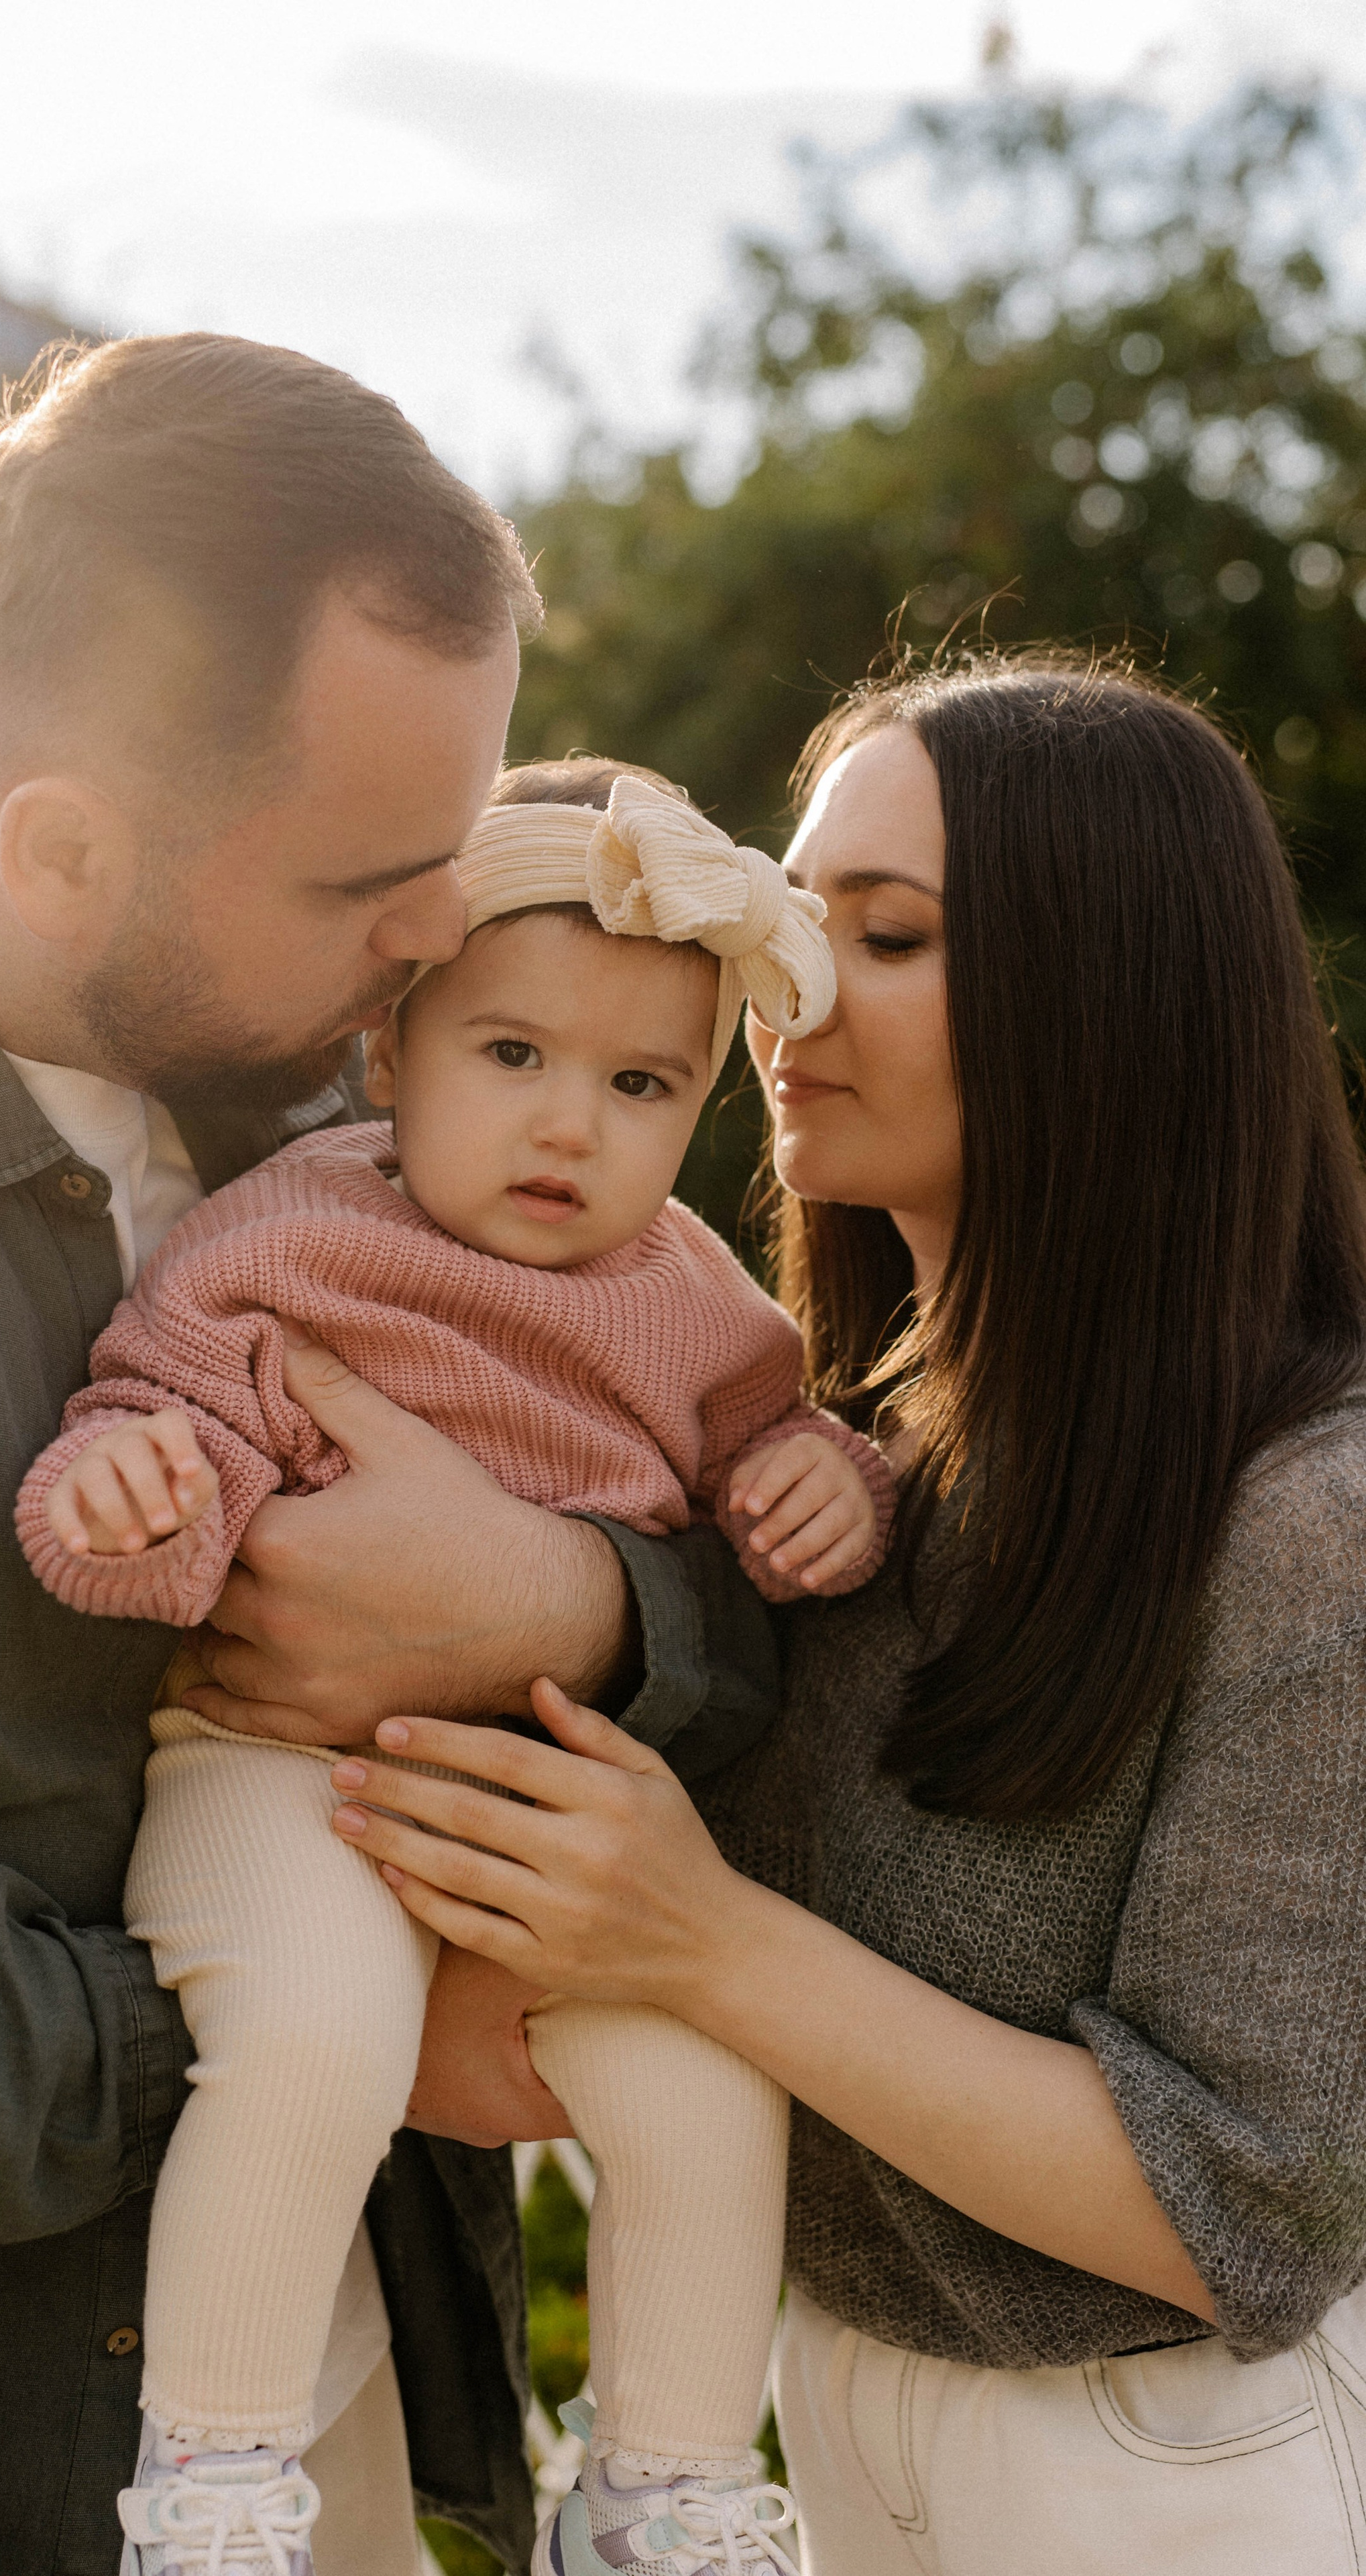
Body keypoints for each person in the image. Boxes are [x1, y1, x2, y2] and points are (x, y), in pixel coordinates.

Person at [0, 332, 780, 2576]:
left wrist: (570, 1606)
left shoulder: (315, 1075)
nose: (442, 936)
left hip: (314, 2386)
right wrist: (299, 2045)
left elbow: (709, 1501)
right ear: (68, 851)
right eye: (375, 880)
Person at [322, 655, 1366, 2575]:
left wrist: (701, 1941)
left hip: (1168, 2470)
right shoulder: (833, 1454)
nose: (789, 998)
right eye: (789, 931)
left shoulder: (1312, 1519)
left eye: (884, 938)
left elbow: (1255, 2203)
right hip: (824, 2412)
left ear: (1107, 995)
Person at [16, 756, 895, 2575]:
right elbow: (152, 1433)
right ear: (390, 1048)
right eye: (512, 1057)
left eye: (639, 1085)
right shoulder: (289, 1234)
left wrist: (829, 1482)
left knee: (711, 2088)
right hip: (280, 1777)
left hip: (541, 1814)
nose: (568, 1126)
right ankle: (217, 2488)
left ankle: (664, 2492)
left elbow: (766, 1464)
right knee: (314, 2041)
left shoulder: (700, 1303)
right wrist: (121, 1494)